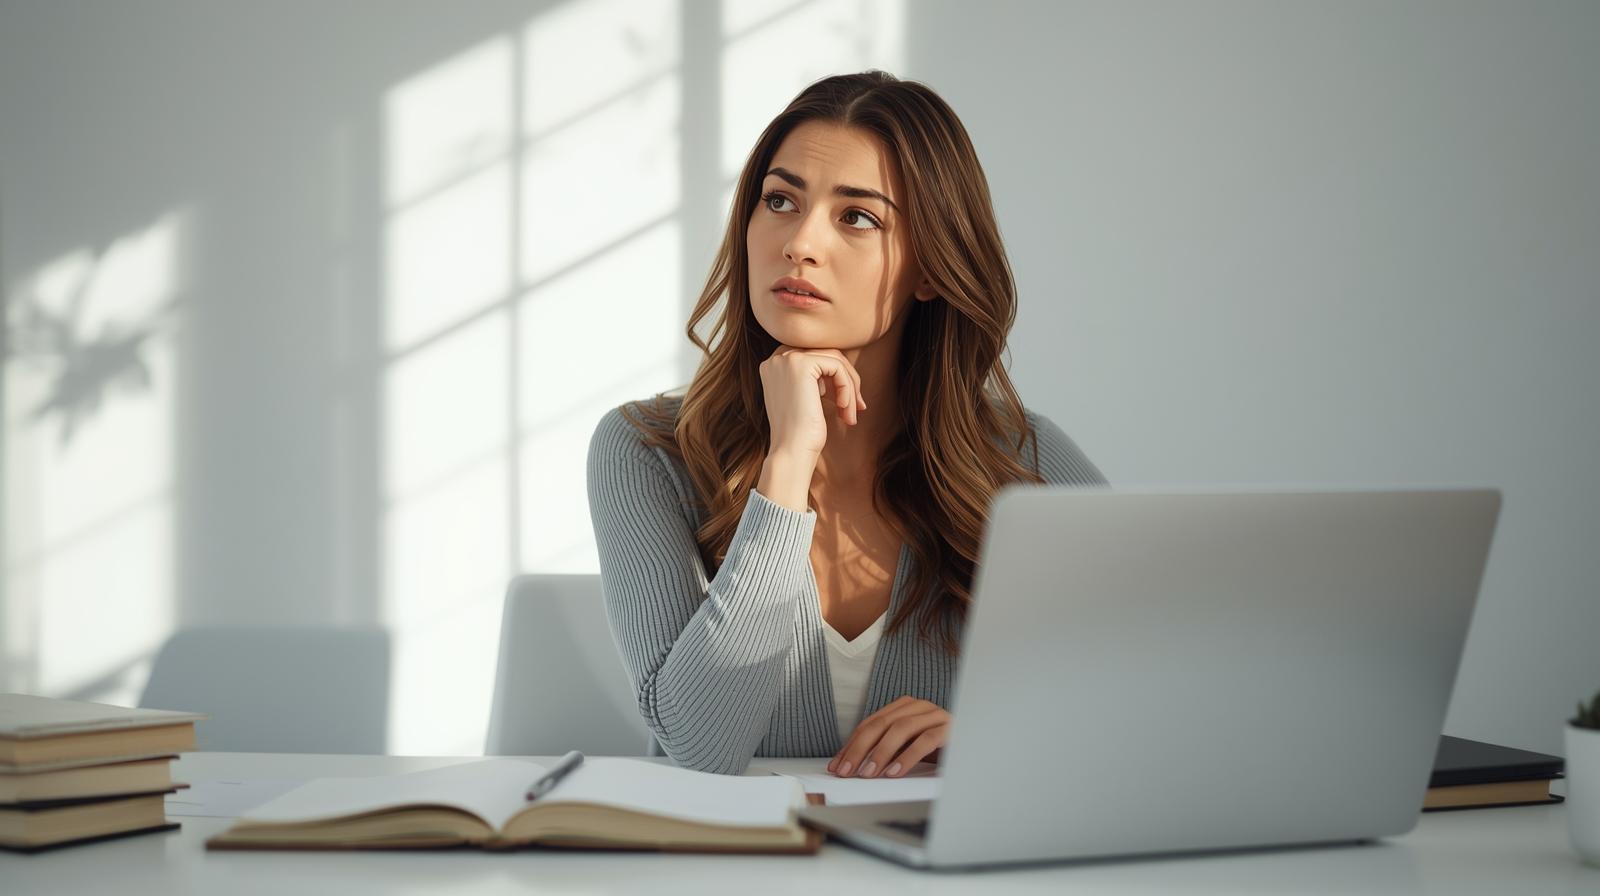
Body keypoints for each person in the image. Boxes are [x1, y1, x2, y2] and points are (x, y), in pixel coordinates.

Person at [586, 71, 1104, 777]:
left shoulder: (1023, 460)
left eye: (857, 216)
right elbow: (701, 745)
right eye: (780, 200)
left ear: (930, 268)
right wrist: (787, 465)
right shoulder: (646, 451)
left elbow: (1159, 691)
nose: (800, 242)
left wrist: (994, 733)